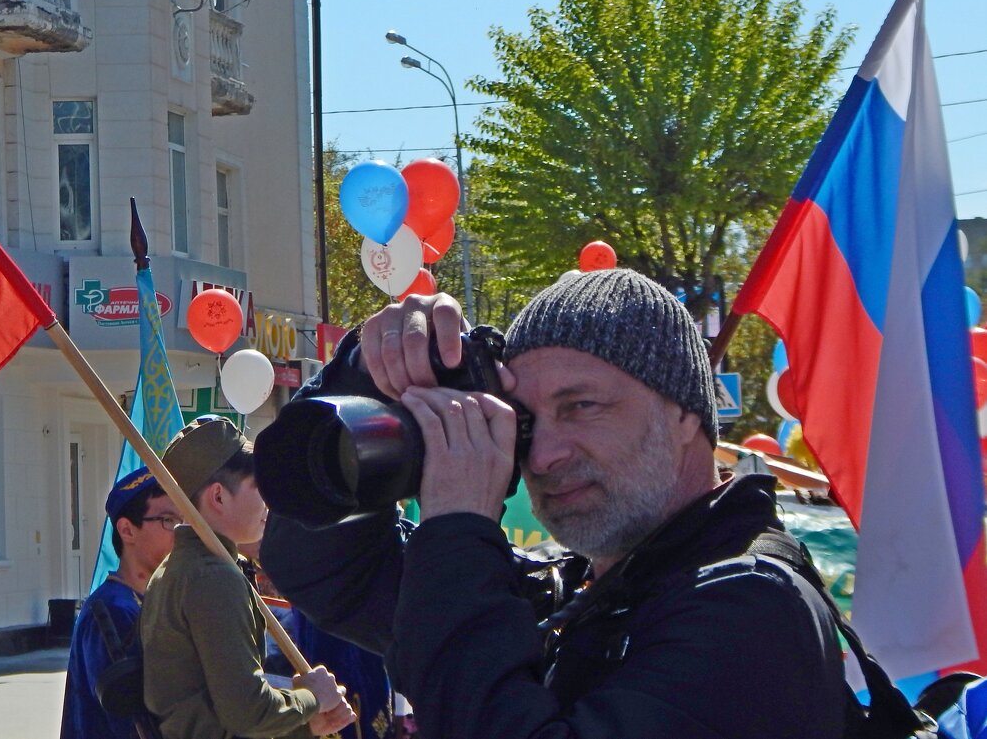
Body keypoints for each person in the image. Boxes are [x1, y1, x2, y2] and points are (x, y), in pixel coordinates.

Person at [260, 268, 849, 739]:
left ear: (685, 412)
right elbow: (326, 568)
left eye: (581, 406)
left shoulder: (753, 606)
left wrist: (460, 525)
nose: (542, 456)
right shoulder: (578, 597)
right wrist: (367, 375)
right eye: (524, 422)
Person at [141, 416, 356, 739]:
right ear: (218, 497)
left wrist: (305, 725)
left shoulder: (182, 567)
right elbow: (248, 712)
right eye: (259, 486)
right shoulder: (212, 578)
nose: (269, 501)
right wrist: (313, 698)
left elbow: (221, 710)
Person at [60, 467, 180, 739]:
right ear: (127, 530)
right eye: (168, 520)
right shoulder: (111, 610)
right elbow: (129, 720)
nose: (180, 533)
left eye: (184, 522)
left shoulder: (153, 601)